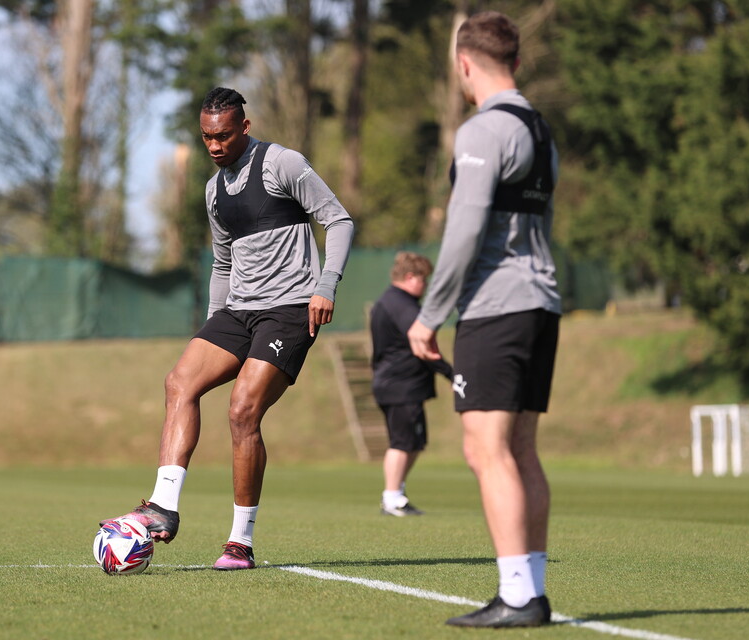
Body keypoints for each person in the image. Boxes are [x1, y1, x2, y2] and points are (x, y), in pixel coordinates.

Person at [101, 87, 354, 570]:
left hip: (290, 308)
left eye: (222, 136)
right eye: (205, 137)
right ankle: (163, 507)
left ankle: (241, 541)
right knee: (179, 382)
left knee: (242, 412)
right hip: (237, 311)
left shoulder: (283, 164)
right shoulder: (214, 190)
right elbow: (223, 261)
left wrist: (327, 285)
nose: (214, 146)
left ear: (244, 127)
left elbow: (337, 220)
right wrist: (213, 323)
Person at [406, 11, 561, 628]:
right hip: (541, 302)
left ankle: (518, 596)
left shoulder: (481, 131)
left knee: (485, 448)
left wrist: (429, 315)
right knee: (521, 449)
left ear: (464, 64)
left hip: (497, 308)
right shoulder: (541, 130)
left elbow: (464, 230)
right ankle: (533, 590)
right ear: (517, 63)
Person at [370, 251, 452, 517]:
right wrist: (452, 374)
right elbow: (422, 345)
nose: (425, 286)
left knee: (414, 442)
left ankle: (397, 494)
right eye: (423, 279)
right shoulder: (401, 304)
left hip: (402, 384)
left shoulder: (395, 301)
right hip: (399, 384)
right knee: (402, 442)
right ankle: (391, 498)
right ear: (409, 277)